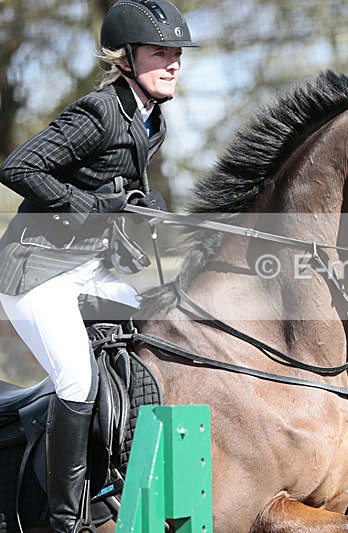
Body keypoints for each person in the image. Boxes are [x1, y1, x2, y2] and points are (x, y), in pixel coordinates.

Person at [0, 1, 197, 530]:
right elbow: (18, 167)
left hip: (87, 270)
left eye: (177, 54)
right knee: (76, 381)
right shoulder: (99, 112)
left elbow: (115, 191)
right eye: (161, 54)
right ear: (127, 59)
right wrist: (95, 209)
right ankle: (68, 520)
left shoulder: (152, 120)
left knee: (170, 324)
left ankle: (126, 477)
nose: (174, 64)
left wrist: (140, 211)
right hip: (35, 273)